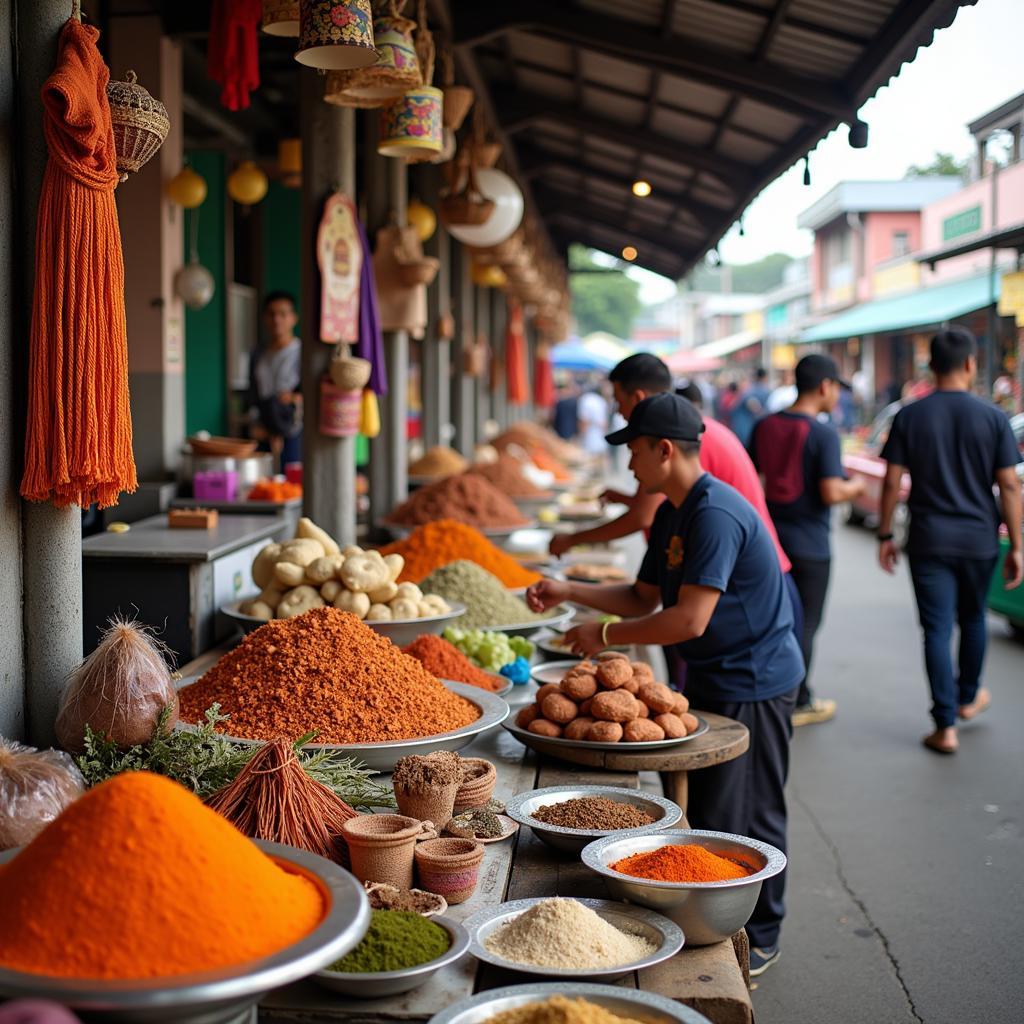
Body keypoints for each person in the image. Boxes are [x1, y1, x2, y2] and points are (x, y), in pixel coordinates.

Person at [527, 393, 803, 976]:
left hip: (755, 677)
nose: (628, 466)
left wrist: (603, 632)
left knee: (748, 810)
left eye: (633, 452)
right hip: (710, 671)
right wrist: (569, 590)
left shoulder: (715, 514)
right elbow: (643, 596)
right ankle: (715, 918)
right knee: (712, 809)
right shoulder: (676, 511)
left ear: (664, 450)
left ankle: (763, 934)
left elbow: (687, 620)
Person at [878, 328, 1022, 755]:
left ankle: (945, 727)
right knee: (973, 618)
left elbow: (891, 481)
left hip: (928, 539)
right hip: (978, 539)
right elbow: (1010, 487)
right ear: (971, 364)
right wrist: (1016, 545)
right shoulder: (993, 417)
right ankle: (967, 697)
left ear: (931, 366)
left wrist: (885, 533)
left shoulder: (909, 415)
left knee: (936, 630)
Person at [750, 354, 865, 727]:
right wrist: (857, 487)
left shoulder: (764, 425)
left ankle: (764, 691)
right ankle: (798, 700)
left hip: (769, 541)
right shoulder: (823, 432)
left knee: (771, 619)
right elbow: (831, 492)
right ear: (825, 387)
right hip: (812, 545)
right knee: (806, 625)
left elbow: (754, 480)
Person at [249, 291, 302, 472]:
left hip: (294, 431)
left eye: (283, 314)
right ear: (265, 318)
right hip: (263, 431)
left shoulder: (302, 353)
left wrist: (295, 398)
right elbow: (253, 394)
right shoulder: (258, 355)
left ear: (293, 318)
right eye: (271, 314)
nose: (277, 319)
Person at [729, 368, 770, 447]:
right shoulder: (763, 390)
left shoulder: (749, 391)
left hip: (744, 431)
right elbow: (754, 406)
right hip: (748, 431)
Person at [577, 384, 610, 458]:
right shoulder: (601, 400)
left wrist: (581, 436)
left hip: (589, 439)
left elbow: (584, 421)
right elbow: (605, 424)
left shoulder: (585, 400)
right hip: (601, 438)